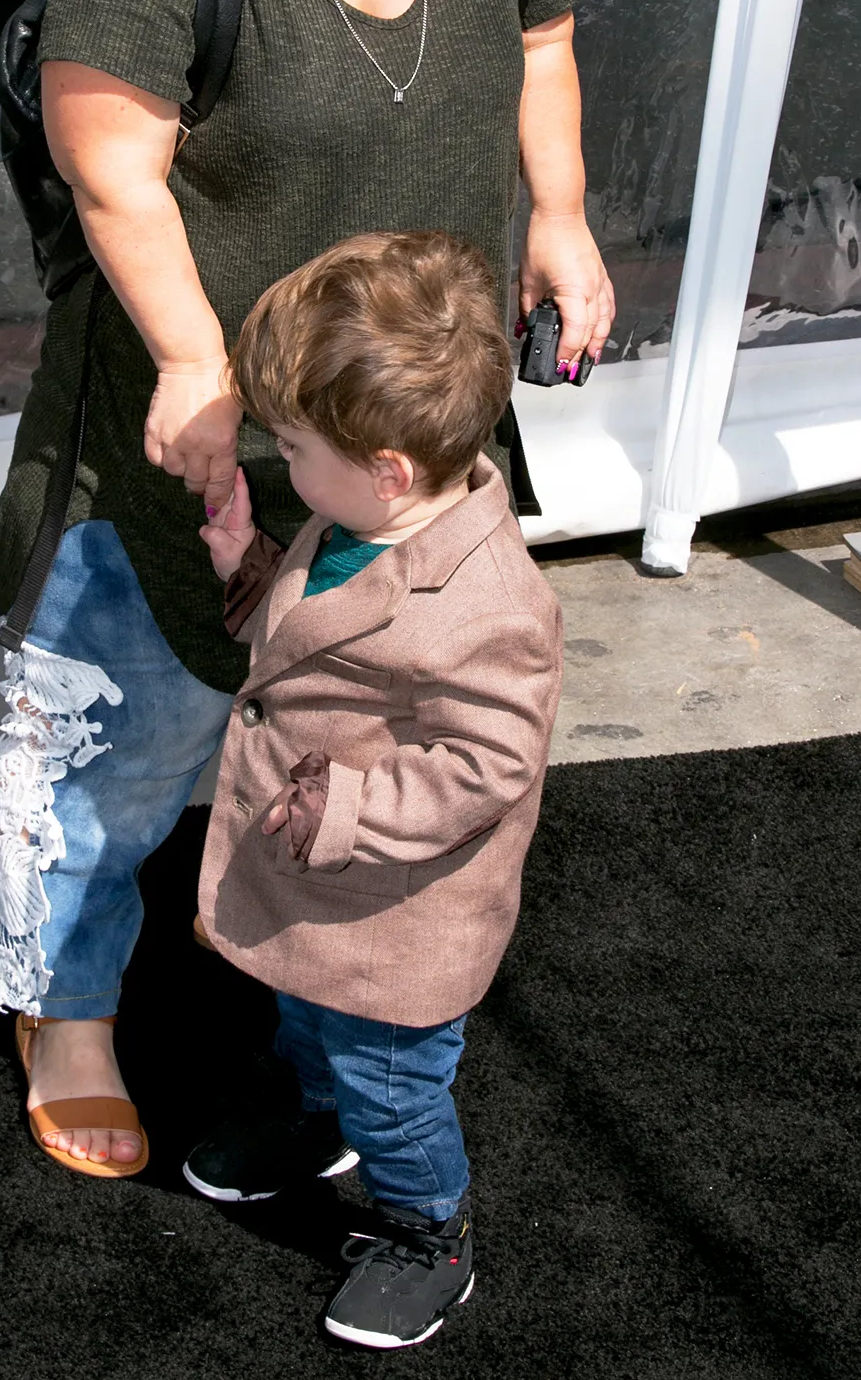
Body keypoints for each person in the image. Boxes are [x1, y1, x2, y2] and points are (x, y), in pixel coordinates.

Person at [0, 0, 614, 1178]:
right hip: (202, 441)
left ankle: (317, 980)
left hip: (401, 440)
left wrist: (556, 212)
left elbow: (540, 35)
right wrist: (188, 365)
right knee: (117, 739)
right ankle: (68, 1009)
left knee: (363, 729)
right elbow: (114, 171)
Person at [184, 230, 562, 1349]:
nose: (281, 463)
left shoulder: (490, 604)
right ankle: (313, 1119)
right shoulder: (356, 521)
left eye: (292, 447)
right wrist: (250, 570)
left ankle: (423, 1231)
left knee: (390, 1077)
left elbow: (488, 764)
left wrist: (347, 810)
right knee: (304, 1013)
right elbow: (319, 649)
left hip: (398, 910)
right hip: (316, 878)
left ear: (386, 465)